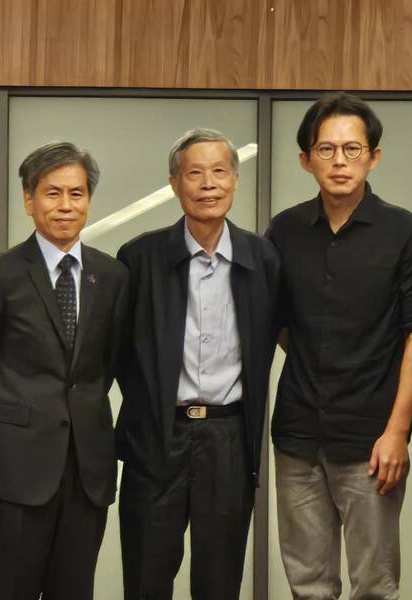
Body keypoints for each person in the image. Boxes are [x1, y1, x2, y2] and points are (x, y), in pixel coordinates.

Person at [266, 92, 412, 600]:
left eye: (352, 149)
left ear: (374, 157)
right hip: (298, 435)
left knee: (374, 587)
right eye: (326, 150)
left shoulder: (407, 234)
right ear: (306, 159)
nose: (339, 161)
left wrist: (397, 431)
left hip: (372, 440)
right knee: (307, 585)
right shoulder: (285, 230)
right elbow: (279, 325)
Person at [0, 141, 129, 600]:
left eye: (76, 193)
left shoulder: (112, 277)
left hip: (87, 469)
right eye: (53, 193)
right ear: (29, 200)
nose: (66, 205)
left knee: (74, 591)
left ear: (88, 200)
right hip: (16, 466)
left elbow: (108, 365)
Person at [115, 128, 280, 599]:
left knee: (219, 583)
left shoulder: (262, 258)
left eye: (219, 172)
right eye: (195, 173)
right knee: (147, 578)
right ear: (174, 183)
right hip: (157, 438)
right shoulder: (140, 257)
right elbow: (117, 352)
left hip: (228, 439)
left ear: (235, 180)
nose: (209, 184)